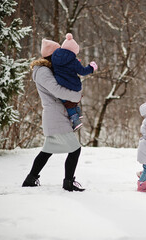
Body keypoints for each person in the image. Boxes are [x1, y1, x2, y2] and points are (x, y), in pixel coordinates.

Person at [22, 38, 85, 192]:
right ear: (51, 55)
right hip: (55, 115)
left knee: (47, 151)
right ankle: (68, 182)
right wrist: (75, 96)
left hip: (56, 114)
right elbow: (56, 90)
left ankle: (31, 179)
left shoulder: (48, 70)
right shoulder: (43, 71)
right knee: (75, 149)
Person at [51, 33, 98, 131]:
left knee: (66, 101)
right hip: (72, 84)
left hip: (59, 83)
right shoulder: (73, 61)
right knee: (69, 103)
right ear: (73, 51)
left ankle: (77, 112)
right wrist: (91, 68)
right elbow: (82, 71)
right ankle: (76, 120)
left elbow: (62, 66)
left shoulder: (54, 57)